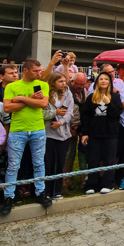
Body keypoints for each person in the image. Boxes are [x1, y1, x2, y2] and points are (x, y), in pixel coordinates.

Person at [1, 59, 52, 214]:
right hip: (18, 130)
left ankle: (40, 192)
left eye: (40, 70)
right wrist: (31, 99)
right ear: (27, 70)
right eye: (36, 70)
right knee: (13, 165)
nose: (39, 73)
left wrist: (22, 98)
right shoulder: (12, 86)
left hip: (38, 129)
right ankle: (9, 196)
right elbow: (7, 107)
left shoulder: (43, 85)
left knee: (39, 163)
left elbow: (43, 104)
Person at [79, 72, 123, 194]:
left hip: (110, 134)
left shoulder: (114, 97)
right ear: (97, 82)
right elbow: (86, 116)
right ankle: (91, 184)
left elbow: (117, 114)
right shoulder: (91, 97)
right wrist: (85, 133)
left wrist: (108, 103)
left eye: (106, 79)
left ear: (109, 82)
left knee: (109, 159)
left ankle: (108, 183)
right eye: (101, 79)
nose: (103, 81)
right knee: (93, 160)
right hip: (94, 134)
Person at [44, 72, 74, 201]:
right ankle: (46, 190)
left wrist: (61, 122)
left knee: (60, 162)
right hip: (48, 133)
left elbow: (70, 112)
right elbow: (41, 113)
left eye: (64, 81)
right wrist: (54, 113)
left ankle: (57, 189)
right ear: (53, 82)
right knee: (48, 162)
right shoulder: (45, 94)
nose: (63, 84)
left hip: (63, 133)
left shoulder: (67, 93)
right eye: (60, 81)